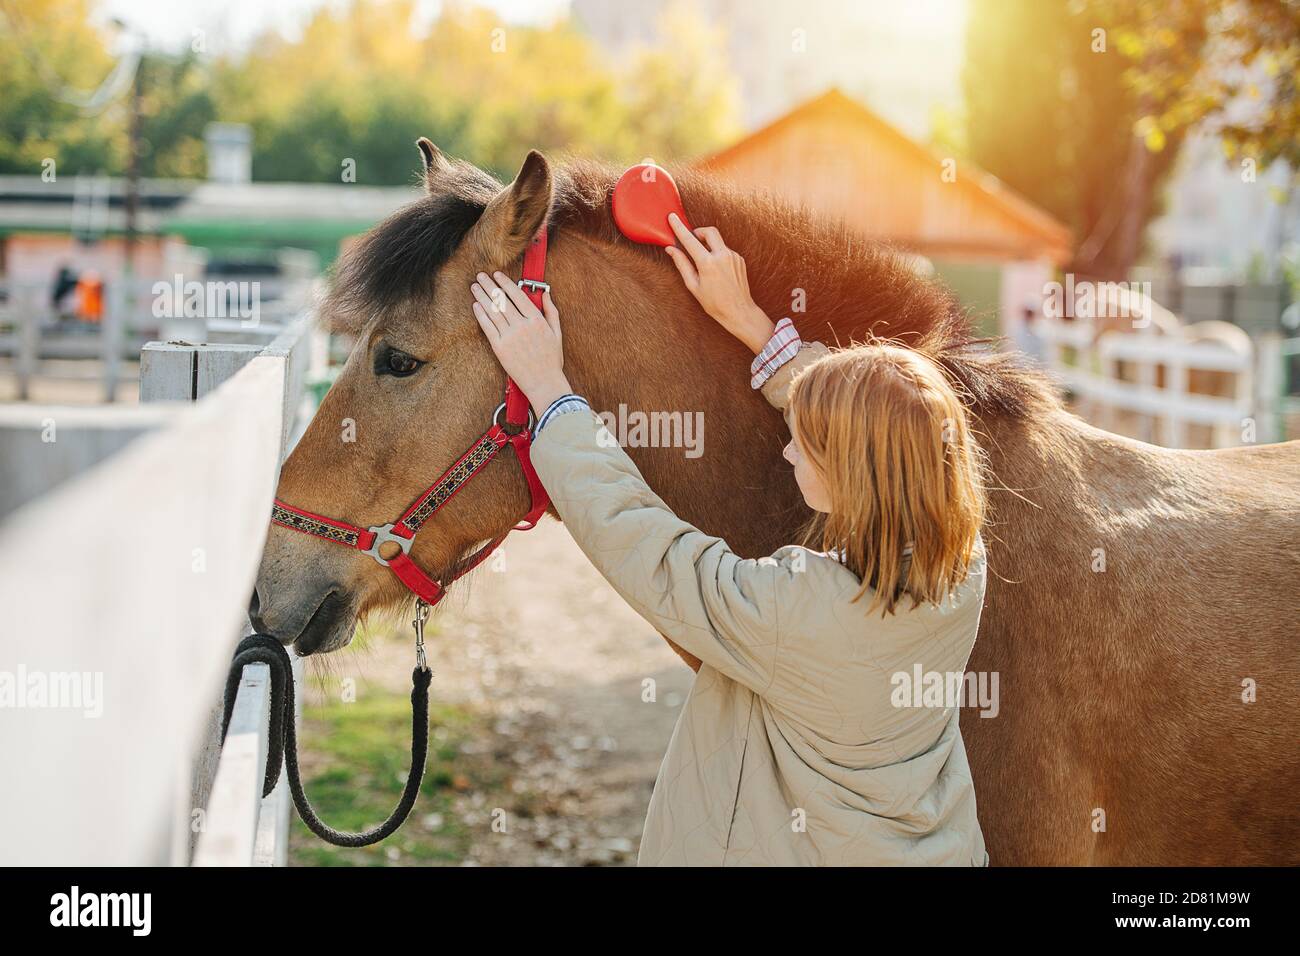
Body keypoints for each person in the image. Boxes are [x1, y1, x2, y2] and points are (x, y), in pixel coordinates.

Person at [469, 213, 990, 866]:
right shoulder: (964, 569)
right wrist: (749, 322)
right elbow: (891, 416)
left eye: (810, 443)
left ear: (853, 472)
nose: (792, 449)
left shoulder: (791, 609)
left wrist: (549, 390)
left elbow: (650, 548)